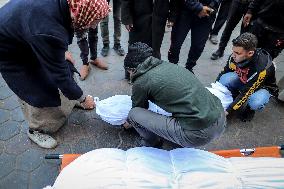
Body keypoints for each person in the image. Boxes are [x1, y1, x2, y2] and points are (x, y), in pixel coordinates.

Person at [0, 0, 110, 148]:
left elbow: (50, 29)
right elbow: (60, 75)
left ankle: (73, 97)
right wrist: (84, 99)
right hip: (11, 51)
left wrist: (61, 50)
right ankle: (36, 129)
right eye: (95, 21)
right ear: (84, 13)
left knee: (66, 65)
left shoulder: (68, 6)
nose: (94, 25)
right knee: (35, 87)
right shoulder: (49, 31)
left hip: (30, 33)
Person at [125, 42, 226, 148]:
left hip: (199, 134)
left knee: (133, 114)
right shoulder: (167, 65)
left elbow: (138, 107)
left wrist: (128, 122)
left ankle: (151, 141)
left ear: (132, 69)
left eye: (129, 72)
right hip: (220, 117)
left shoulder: (141, 81)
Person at [216, 33, 278, 122]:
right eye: (233, 51)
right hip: (246, 81)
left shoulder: (260, 68)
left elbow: (247, 92)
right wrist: (214, 91)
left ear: (250, 53)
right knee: (224, 79)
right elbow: (224, 72)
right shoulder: (234, 56)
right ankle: (233, 97)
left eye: (237, 53)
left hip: (261, 87)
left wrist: (228, 111)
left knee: (256, 102)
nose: (233, 55)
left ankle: (250, 109)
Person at [168, 0, 220, 72]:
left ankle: (189, 68)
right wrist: (198, 7)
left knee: (198, 46)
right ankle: (172, 66)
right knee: (176, 43)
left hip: (206, 13)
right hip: (185, 9)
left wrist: (209, 7)